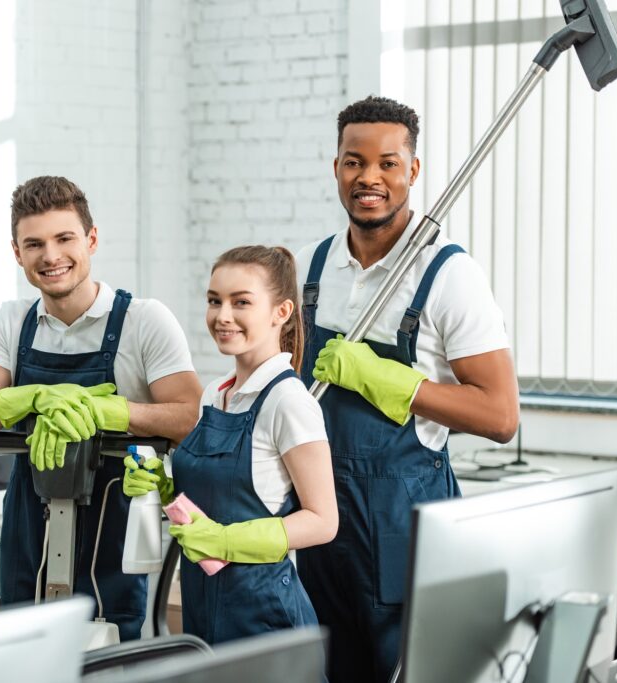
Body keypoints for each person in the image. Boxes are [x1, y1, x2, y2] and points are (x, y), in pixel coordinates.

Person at [294, 96, 519, 682]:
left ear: (412, 171)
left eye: (388, 163)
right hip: (325, 528)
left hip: (406, 529)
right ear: (336, 166)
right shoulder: (315, 268)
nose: (370, 178)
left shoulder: (449, 275)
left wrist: (393, 381)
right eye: (354, 161)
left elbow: (500, 416)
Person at [0, 176, 202, 641]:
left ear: (92, 239)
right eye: (34, 244)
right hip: (28, 521)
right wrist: (36, 398)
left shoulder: (143, 321)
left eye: (64, 238)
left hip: (115, 521)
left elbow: (189, 416)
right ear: (16, 252)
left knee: (107, 652)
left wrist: (109, 413)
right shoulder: (14, 321)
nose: (50, 256)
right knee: (24, 651)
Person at [123, 245, 337, 646]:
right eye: (214, 301)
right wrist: (164, 487)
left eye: (241, 302)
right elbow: (214, 497)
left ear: (282, 312)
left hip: (265, 617)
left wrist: (226, 542)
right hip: (204, 610)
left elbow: (323, 521)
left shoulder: (288, 401)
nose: (222, 316)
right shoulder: (214, 395)